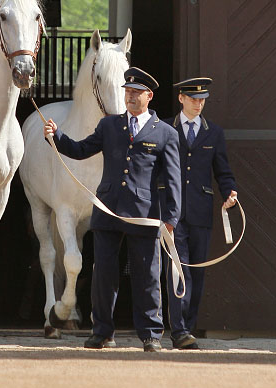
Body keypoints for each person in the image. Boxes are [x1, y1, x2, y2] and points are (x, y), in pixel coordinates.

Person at [44, 66, 181, 352]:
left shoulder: (166, 133)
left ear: (149, 96)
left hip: (144, 215)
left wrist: (171, 217)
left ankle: (151, 335)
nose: (129, 97)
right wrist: (56, 137)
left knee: (147, 276)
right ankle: (102, 331)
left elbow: (172, 180)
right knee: (103, 276)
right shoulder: (109, 126)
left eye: (135, 93)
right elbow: (81, 150)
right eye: (127, 92)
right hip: (107, 211)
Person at [163, 77, 237, 350]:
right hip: (171, 211)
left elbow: (223, 171)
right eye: (193, 99)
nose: (199, 103)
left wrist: (230, 192)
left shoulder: (214, 133)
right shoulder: (166, 129)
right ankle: (179, 329)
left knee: (198, 272)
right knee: (178, 271)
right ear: (181, 99)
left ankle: (188, 326)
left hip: (201, 212)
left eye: (202, 99)